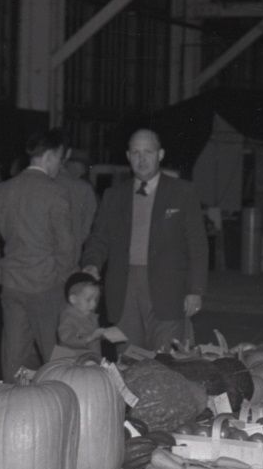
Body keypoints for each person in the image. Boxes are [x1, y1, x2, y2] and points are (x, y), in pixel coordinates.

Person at [81, 128, 207, 352]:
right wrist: (91, 263)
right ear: (128, 156)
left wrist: (195, 290)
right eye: (135, 152)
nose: (141, 159)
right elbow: (99, 238)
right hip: (124, 290)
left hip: (169, 291)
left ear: (160, 155)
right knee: (129, 360)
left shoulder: (183, 192)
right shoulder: (113, 195)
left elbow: (197, 245)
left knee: (166, 361)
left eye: (148, 152)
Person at [0, 128, 76, 380]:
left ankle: (13, 413)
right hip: (47, 285)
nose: (60, 166)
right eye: (60, 158)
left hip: (12, 286)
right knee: (56, 357)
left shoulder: (1, 191)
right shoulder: (56, 192)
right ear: (51, 155)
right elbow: (66, 246)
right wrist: (63, 279)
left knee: (13, 358)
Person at [56, 272, 108, 358]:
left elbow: (93, 336)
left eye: (96, 299)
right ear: (73, 299)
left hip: (91, 358)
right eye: (88, 300)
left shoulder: (89, 314)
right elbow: (66, 338)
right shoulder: (68, 316)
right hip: (73, 361)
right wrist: (89, 338)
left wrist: (102, 335)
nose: (94, 304)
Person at [57, 148, 98, 250]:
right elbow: (90, 220)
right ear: (70, 164)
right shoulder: (85, 188)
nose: (84, 170)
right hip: (72, 247)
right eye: (83, 166)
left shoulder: (49, 181)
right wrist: (78, 241)